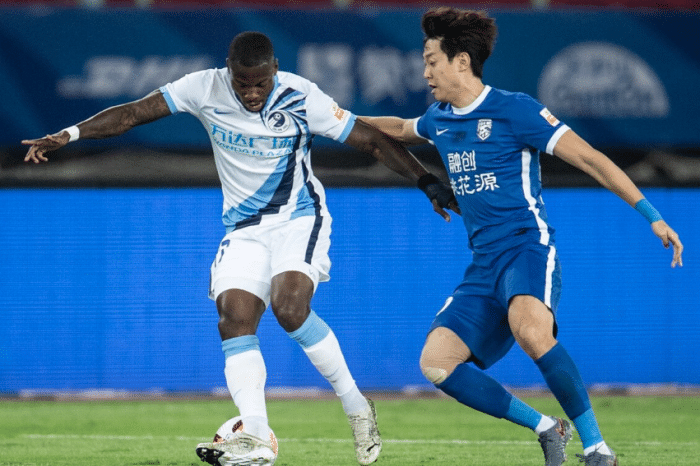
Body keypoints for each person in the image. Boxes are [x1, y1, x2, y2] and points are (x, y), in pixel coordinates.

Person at [22, 31, 458, 466]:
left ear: (275, 71)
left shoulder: (301, 96)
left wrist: (427, 182)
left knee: (289, 309)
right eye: (242, 83)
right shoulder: (202, 87)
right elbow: (133, 113)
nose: (251, 93)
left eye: (260, 83)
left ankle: (357, 407)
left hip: (298, 218)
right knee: (234, 316)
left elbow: (371, 140)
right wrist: (70, 134)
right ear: (228, 71)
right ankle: (256, 435)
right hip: (245, 228)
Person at [360, 7, 683, 466]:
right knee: (436, 362)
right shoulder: (439, 119)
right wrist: (335, 118)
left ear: (462, 61)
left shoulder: (516, 110)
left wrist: (650, 214)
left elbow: (590, 159)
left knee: (531, 330)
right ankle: (547, 427)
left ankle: (598, 448)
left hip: (526, 249)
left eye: (431, 61)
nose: (425, 72)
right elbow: (398, 129)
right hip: (483, 265)